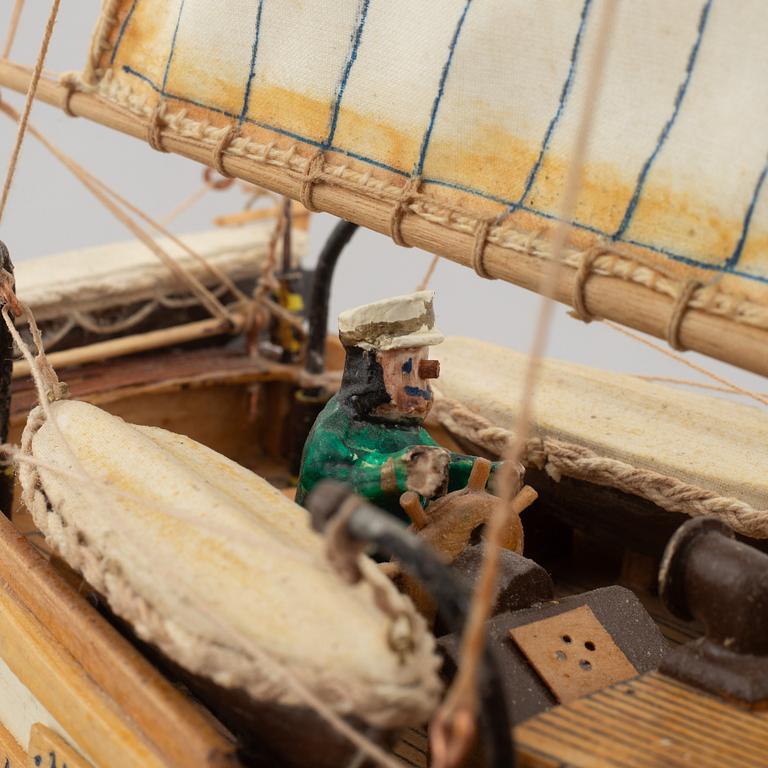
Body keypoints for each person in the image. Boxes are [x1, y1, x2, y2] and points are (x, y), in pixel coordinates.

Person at [296, 290, 502, 520]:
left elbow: (443, 464)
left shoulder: (408, 430)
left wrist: (486, 473)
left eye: (424, 368)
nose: (421, 383)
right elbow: (325, 478)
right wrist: (393, 472)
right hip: (333, 542)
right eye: (407, 367)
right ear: (370, 368)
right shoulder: (337, 425)